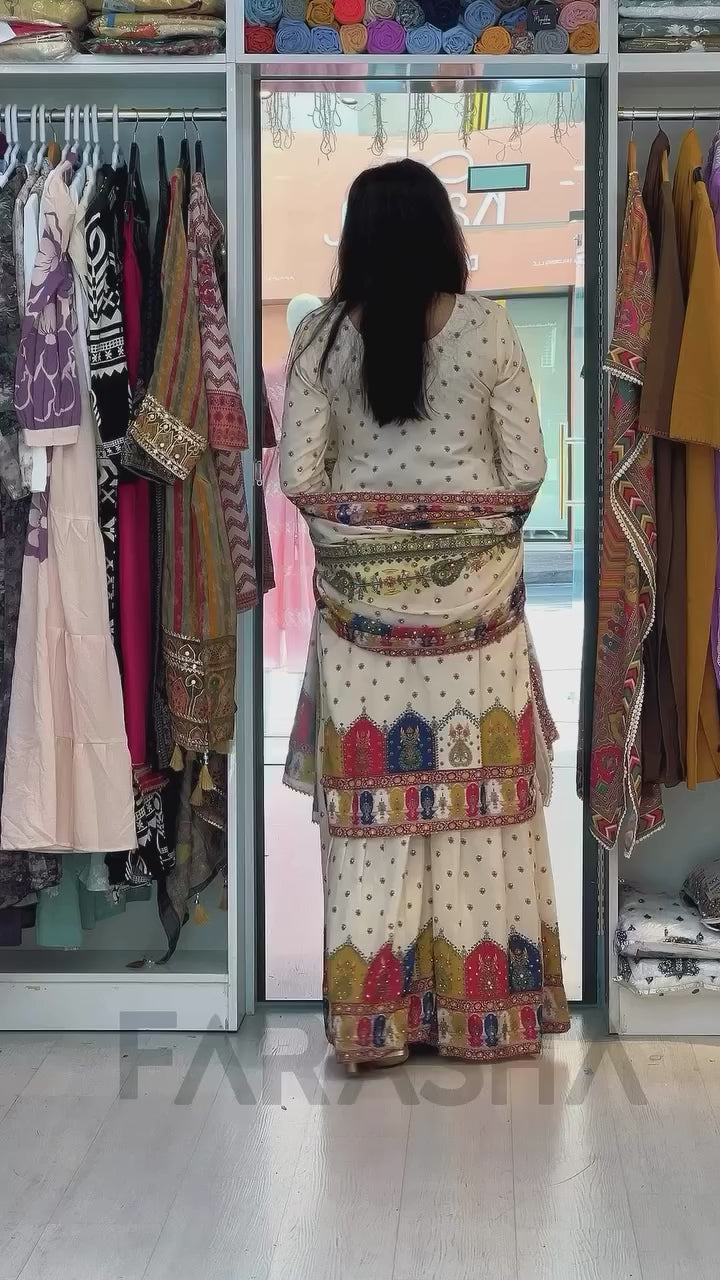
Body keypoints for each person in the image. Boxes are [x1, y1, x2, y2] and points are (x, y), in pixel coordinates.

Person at [279, 158, 569, 1072]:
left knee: (375, 833)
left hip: (361, 637)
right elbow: (526, 471)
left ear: (356, 239)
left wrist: (375, 541)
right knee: (481, 824)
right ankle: (487, 1022)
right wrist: (458, 537)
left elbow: (300, 479)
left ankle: (377, 1030)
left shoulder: (320, 339)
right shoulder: (488, 330)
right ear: (444, 232)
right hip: (480, 632)